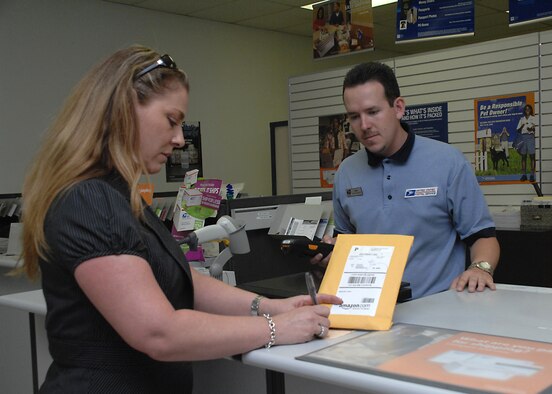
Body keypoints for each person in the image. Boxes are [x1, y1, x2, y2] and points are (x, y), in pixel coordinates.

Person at [19, 45, 341, 393]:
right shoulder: (89, 200)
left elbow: (174, 275)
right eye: (171, 121)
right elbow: (159, 333)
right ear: (124, 109)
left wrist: (270, 306)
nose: (177, 138)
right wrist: (276, 329)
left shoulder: (117, 196)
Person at [311, 62, 500, 300]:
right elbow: (345, 242)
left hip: (437, 309)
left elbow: (482, 236)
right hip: (367, 309)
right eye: (354, 117)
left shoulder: (448, 162)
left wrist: (480, 269)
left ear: (398, 107)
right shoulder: (346, 172)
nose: (365, 126)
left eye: (372, 112)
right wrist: (329, 255)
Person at [516, 104, 536, 182]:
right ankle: (524, 175)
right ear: (524, 111)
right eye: (526, 109)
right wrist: (522, 126)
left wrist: (531, 129)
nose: (527, 110)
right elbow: (518, 130)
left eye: (529, 109)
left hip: (530, 138)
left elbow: (535, 129)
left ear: (531, 110)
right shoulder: (521, 119)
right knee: (523, 157)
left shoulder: (534, 118)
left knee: (532, 156)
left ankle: (532, 175)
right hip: (523, 137)